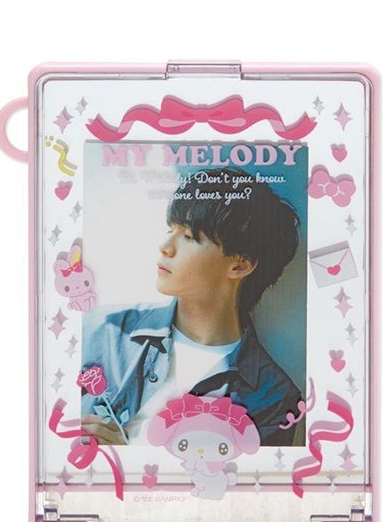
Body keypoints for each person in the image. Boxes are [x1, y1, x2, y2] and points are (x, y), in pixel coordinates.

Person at [81, 166, 305, 446]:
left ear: (240, 265)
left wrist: (127, 456)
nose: (165, 246)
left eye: (188, 236)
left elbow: (243, 476)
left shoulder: (274, 399)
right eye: (170, 229)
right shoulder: (101, 329)